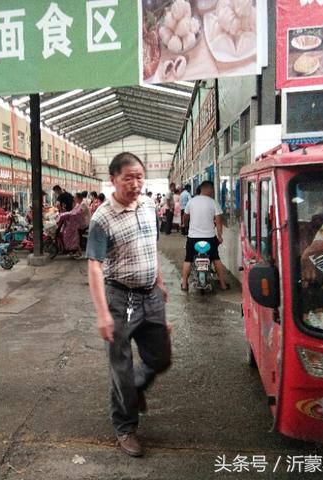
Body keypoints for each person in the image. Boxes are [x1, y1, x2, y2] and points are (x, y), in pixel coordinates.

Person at [86, 152, 171, 458]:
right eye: (128, 178)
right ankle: (125, 427)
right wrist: (102, 313)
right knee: (120, 367)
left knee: (161, 357)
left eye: (139, 177)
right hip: (119, 297)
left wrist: (159, 283)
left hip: (149, 295)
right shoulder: (102, 218)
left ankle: (136, 387)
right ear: (113, 180)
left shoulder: (149, 205)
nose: (135, 184)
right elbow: (94, 266)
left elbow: (151, 247)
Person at [181, 180, 230, 291]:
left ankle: (184, 284)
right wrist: (220, 236)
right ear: (208, 189)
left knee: (188, 259)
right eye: (212, 189)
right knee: (216, 259)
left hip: (193, 238)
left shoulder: (191, 202)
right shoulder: (213, 202)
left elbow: (185, 217)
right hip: (209, 238)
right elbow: (219, 221)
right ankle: (223, 284)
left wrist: (185, 226)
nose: (212, 191)